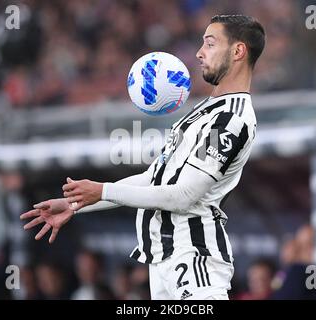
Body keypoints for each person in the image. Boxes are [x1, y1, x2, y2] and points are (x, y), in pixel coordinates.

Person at [21, 14, 265, 300]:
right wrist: (77, 204)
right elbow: (155, 178)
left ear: (238, 51)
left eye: (210, 44)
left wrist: (103, 190)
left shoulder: (230, 118)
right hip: (163, 257)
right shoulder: (207, 110)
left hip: (193, 257)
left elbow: (184, 194)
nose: (199, 53)